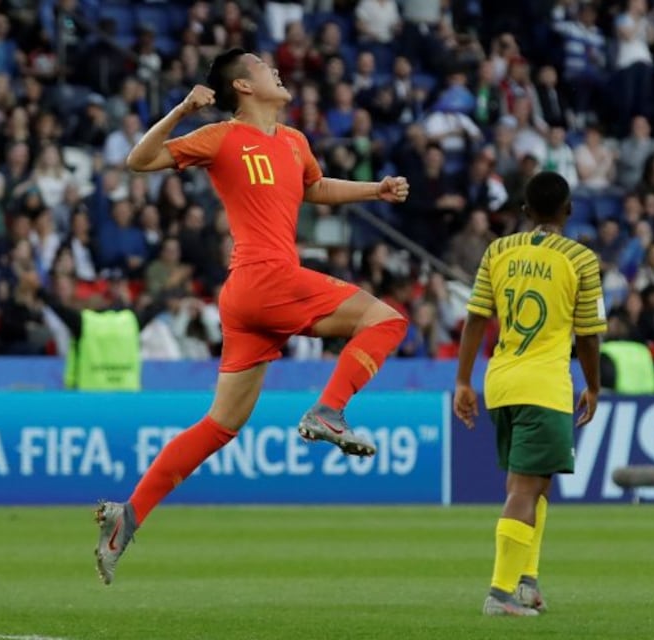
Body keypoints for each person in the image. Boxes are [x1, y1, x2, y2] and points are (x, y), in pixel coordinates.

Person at [93, 48, 410, 585]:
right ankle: (329, 411)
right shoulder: (221, 136)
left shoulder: (294, 141)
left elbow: (315, 188)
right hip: (267, 278)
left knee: (220, 425)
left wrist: (374, 191)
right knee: (387, 320)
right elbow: (139, 161)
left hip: (247, 296)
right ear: (242, 85)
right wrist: (181, 110)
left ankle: (129, 514)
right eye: (264, 66)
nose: (276, 70)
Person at [453, 172, 606, 616]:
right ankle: (500, 594)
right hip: (544, 385)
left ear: (524, 211)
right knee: (525, 488)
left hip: (501, 381)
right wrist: (594, 385)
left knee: (534, 483)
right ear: (569, 210)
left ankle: (526, 581)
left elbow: (476, 318)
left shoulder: (498, 250)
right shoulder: (581, 260)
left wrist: (463, 381)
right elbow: (588, 335)